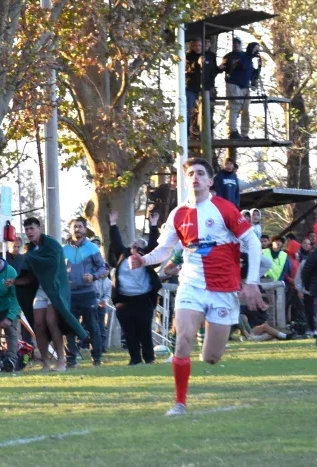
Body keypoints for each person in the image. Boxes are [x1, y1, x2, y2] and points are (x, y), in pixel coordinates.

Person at [130, 158, 265, 416]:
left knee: (212, 357)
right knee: (183, 339)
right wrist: (144, 260)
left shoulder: (224, 208)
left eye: (201, 173)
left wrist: (252, 282)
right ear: (186, 180)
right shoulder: (178, 214)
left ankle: (209, 349)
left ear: (210, 181)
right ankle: (180, 403)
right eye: (191, 173)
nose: (195, 177)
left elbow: (253, 242)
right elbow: (164, 250)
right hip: (191, 283)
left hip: (223, 288)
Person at [22, 217, 87, 373]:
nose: (29, 232)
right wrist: (17, 281)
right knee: (38, 324)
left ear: (39, 229)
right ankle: (45, 363)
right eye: (26, 229)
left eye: (32, 228)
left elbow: (51, 263)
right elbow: (29, 272)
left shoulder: (52, 244)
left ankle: (61, 360)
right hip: (41, 289)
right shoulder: (30, 249)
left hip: (56, 289)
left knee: (52, 321)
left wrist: (30, 257)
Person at [108, 211, 162, 365]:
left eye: (140, 245)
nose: (136, 245)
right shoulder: (123, 255)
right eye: (134, 243)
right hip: (124, 300)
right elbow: (116, 242)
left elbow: (154, 245)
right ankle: (135, 359)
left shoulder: (147, 258)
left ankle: (149, 358)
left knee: (144, 331)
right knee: (129, 332)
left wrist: (153, 225)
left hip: (143, 299)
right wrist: (113, 224)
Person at [63, 217, 108, 368]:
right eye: (74, 226)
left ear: (85, 229)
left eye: (80, 226)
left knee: (93, 326)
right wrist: (63, 280)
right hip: (70, 295)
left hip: (88, 293)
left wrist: (93, 276)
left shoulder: (92, 248)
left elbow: (103, 268)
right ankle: (71, 359)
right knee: (69, 327)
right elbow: (58, 270)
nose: (77, 229)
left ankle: (96, 358)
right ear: (70, 229)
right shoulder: (64, 249)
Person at [222, 40, 259, 140]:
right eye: (255, 48)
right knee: (234, 107)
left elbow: (253, 75)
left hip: (245, 87)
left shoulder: (251, 60)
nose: (256, 51)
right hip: (234, 84)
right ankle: (232, 131)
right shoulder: (239, 56)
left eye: (258, 49)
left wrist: (259, 66)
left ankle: (244, 133)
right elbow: (230, 67)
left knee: (245, 109)